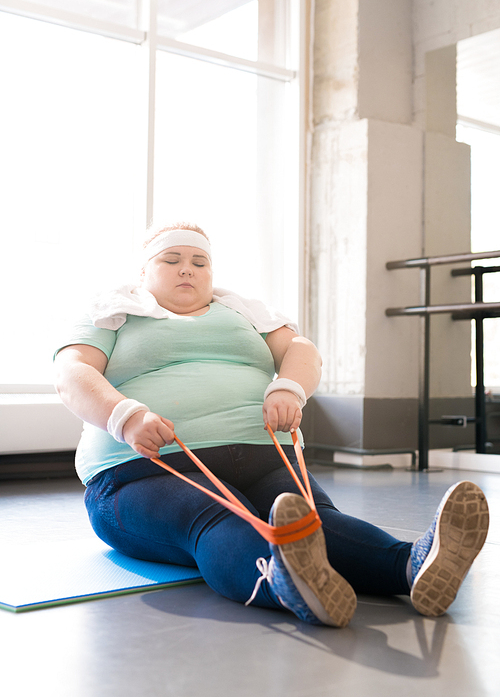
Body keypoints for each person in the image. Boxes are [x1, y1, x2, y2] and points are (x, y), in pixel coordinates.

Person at [54, 223, 490, 627]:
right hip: (145, 470)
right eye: (171, 260)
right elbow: (72, 372)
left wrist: (288, 388)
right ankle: (285, 583)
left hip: (263, 455)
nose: (187, 268)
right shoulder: (113, 311)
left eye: (199, 262)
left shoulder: (243, 312)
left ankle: (414, 566)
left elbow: (300, 349)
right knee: (216, 520)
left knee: (317, 521)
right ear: (144, 271)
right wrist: (125, 416)